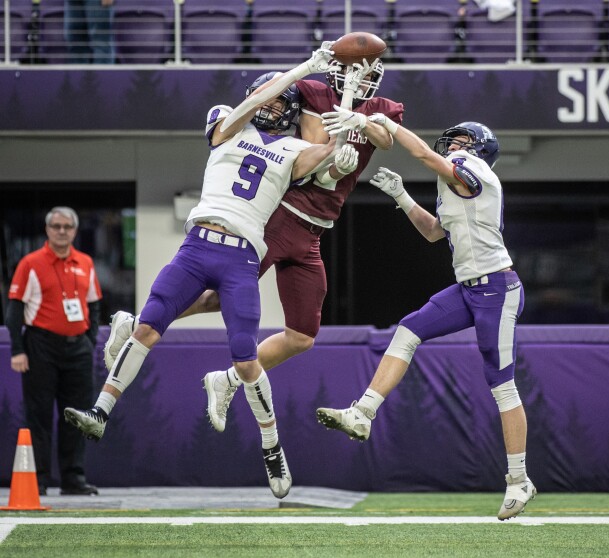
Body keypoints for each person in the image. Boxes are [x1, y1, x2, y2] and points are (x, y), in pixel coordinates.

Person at [63, 45, 358, 499]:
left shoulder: (296, 148)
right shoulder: (227, 121)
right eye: (266, 98)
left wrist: (349, 114)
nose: (271, 105)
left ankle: (271, 446)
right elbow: (250, 106)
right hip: (196, 246)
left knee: (246, 357)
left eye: (280, 102)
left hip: (242, 256)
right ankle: (100, 412)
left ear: (292, 111)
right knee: (150, 327)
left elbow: (330, 156)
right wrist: (302, 69)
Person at [103, 54, 405, 436]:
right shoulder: (313, 93)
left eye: (370, 75)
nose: (362, 80)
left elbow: (386, 140)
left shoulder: (383, 109)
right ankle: (137, 326)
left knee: (302, 336)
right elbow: (317, 162)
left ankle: (225, 379)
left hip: (316, 229)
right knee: (221, 296)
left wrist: (358, 117)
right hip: (285, 215)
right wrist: (337, 138)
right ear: (337, 71)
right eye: (353, 72)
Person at [314, 113, 536, 521]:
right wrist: (402, 197)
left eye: (462, 140)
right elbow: (435, 232)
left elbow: (420, 153)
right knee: (408, 331)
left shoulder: (476, 170)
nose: (452, 145)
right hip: (469, 288)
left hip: (497, 289)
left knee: (501, 385)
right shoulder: (455, 182)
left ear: (479, 149)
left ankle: (519, 479)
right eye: (451, 140)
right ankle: (362, 413)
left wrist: (383, 124)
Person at [6, 207, 102, 497]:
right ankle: (40, 479)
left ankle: (73, 478)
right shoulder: (30, 263)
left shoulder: (85, 262)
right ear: (48, 230)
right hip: (41, 347)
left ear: (74, 231)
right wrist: (18, 349)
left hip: (78, 349)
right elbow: (14, 310)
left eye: (67, 226)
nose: (62, 231)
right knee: (39, 416)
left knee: (77, 415)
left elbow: (94, 305)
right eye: (56, 226)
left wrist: (90, 341)